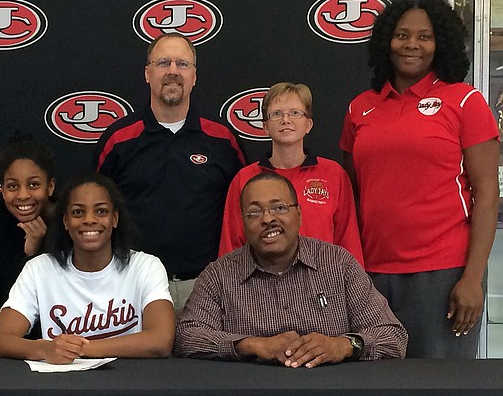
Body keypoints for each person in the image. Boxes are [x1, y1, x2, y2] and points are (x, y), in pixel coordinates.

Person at [340, 0, 499, 358]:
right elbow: (352, 194)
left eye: (425, 36)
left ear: (440, 42)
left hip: (443, 273)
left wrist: (472, 279)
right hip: (371, 274)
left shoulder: (464, 101)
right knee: (376, 395)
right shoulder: (360, 107)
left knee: (440, 395)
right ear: (386, 42)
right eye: (402, 35)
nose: (412, 44)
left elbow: (487, 196)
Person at [175, 172, 407, 366]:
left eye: (279, 207)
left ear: (299, 215)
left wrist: (343, 345)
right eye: (254, 212)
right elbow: (188, 337)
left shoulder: (338, 264)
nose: (267, 219)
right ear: (243, 223)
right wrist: (253, 345)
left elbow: (393, 335)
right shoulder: (219, 275)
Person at [94, 33, 245, 315]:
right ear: (147, 73)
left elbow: (244, 209)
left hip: (207, 288)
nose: (173, 71)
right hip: (132, 288)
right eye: (163, 63)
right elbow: (94, 210)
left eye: (183, 64)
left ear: (195, 76)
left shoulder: (222, 140)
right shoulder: (119, 140)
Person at [0, 173, 175, 364]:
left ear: (115, 218)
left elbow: (161, 340)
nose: (89, 220)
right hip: (64, 386)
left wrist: (81, 348)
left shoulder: (145, 266)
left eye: (101, 211)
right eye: (78, 212)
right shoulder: (39, 269)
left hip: (130, 385)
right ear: (66, 221)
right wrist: (45, 348)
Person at [219, 82, 363, 265]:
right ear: (265, 126)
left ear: (308, 124)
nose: (285, 120)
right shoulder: (245, 179)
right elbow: (231, 245)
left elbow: (349, 242)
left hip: (323, 283)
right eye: (276, 114)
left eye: (295, 113)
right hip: (261, 286)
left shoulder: (333, 174)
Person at [0, 133, 57, 332]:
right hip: (4, 335)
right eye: (12, 186)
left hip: (57, 335)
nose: (23, 195)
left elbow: (58, 298)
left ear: (50, 186)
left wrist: (36, 253)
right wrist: (29, 254)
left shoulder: (68, 220)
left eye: (34, 184)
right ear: (1, 189)